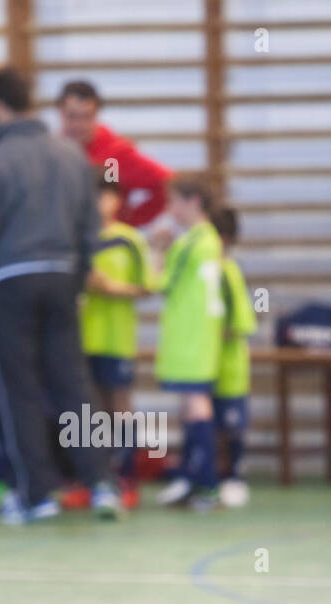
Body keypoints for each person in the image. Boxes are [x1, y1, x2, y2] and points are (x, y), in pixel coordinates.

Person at [0, 67, 121, 524]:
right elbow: (92, 230)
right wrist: (77, 276)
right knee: (75, 386)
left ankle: (37, 494)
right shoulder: (72, 156)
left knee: (20, 391)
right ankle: (102, 484)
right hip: (63, 279)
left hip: (10, 280)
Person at [79, 171, 157, 507]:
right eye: (93, 196)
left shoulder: (130, 239)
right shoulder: (76, 239)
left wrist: (111, 288)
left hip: (117, 339)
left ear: (117, 200)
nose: (100, 203)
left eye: (106, 195)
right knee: (88, 410)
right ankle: (95, 481)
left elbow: (148, 286)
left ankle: (127, 478)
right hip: (82, 338)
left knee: (119, 407)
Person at [152, 175, 226, 511]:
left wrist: (158, 250)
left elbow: (159, 283)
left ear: (194, 200)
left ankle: (207, 485)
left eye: (175, 201)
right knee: (191, 406)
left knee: (196, 406)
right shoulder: (209, 239)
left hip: (189, 338)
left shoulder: (190, 244)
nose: (171, 210)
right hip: (201, 337)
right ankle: (192, 478)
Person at [57, 79, 173, 228]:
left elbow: (167, 183)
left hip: (106, 237)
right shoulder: (52, 152)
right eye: (72, 116)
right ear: (60, 112)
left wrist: (130, 219)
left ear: (97, 114)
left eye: (87, 117)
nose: (79, 125)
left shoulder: (116, 153)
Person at [209, 206, 258, 509]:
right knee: (206, 425)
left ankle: (234, 477)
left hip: (229, 368)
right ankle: (205, 477)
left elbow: (242, 323)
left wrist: (211, 332)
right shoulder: (205, 271)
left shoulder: (228, 272)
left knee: (231, 427)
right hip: (204, 366)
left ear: (224, 239)